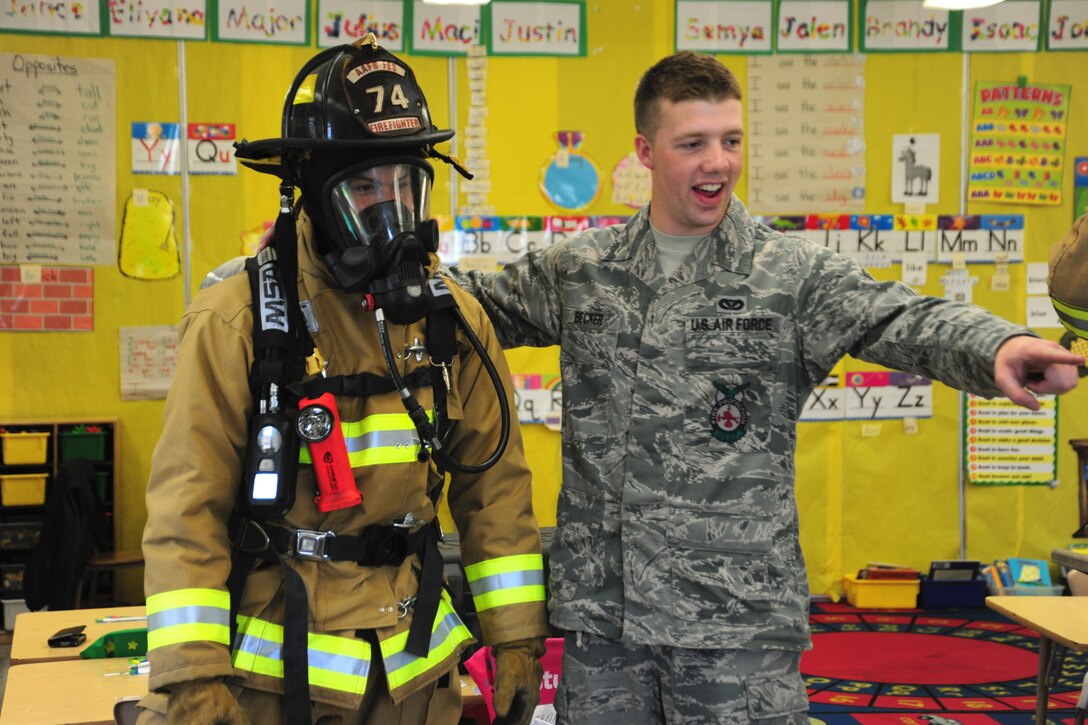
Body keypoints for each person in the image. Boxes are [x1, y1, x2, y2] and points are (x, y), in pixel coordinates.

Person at [449, 51, 1084, 723]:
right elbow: (462, 310)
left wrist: (999, 346)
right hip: (608, 627)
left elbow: (898, 315)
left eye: (730, 140)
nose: (717, 162)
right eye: (692, 143)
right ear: (646, 151)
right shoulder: (581, 270)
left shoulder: (790, 273)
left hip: (735, 628)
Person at [138, 36, 548, 725]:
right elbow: (187, 510)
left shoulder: (454, 319)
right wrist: (190, 678)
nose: (391, 213)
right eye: (363, 189)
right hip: (276, 681)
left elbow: (495, 490)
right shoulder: (238, 320)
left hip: (416, 678)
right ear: (313, 197)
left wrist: (517, 639)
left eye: (404, 187)